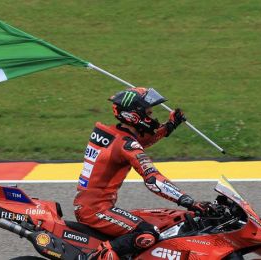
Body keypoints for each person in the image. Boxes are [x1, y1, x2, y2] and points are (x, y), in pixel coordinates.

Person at [74, 87, 211, 260]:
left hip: (89, 206)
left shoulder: (114, 135)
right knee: (148, 233)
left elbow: (139, 143)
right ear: (135, 116)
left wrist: (169, 126)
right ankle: (96, 257)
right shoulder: (125, 144)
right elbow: (153, 180)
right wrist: (189, 201)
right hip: (97, 210)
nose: (153, 118)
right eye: (149, 113)